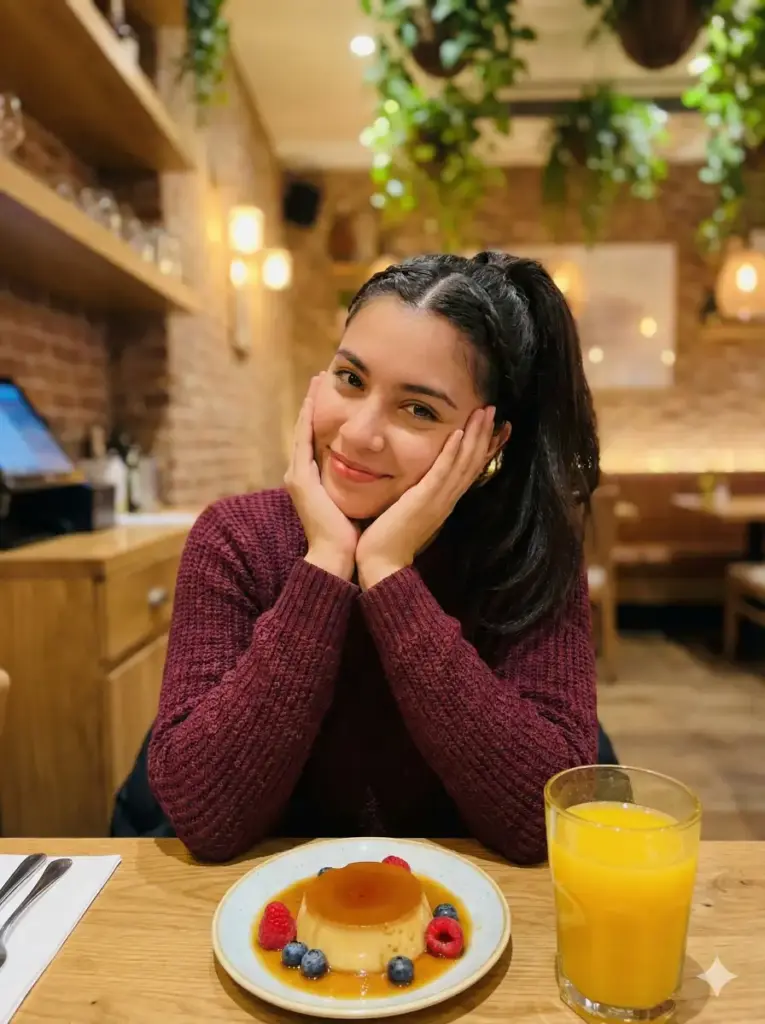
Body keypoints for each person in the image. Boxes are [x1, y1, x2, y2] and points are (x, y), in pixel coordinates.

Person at [147, 251, 601, 865]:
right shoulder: (234, 539)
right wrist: (326, 561)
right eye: (350, 379)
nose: (359, 433)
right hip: (274, 917)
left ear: (489, 441)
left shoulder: (527, 557)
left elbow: (544, 818)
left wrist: (389, 573)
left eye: (418, 409)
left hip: (461, 918)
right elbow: (204, 815)